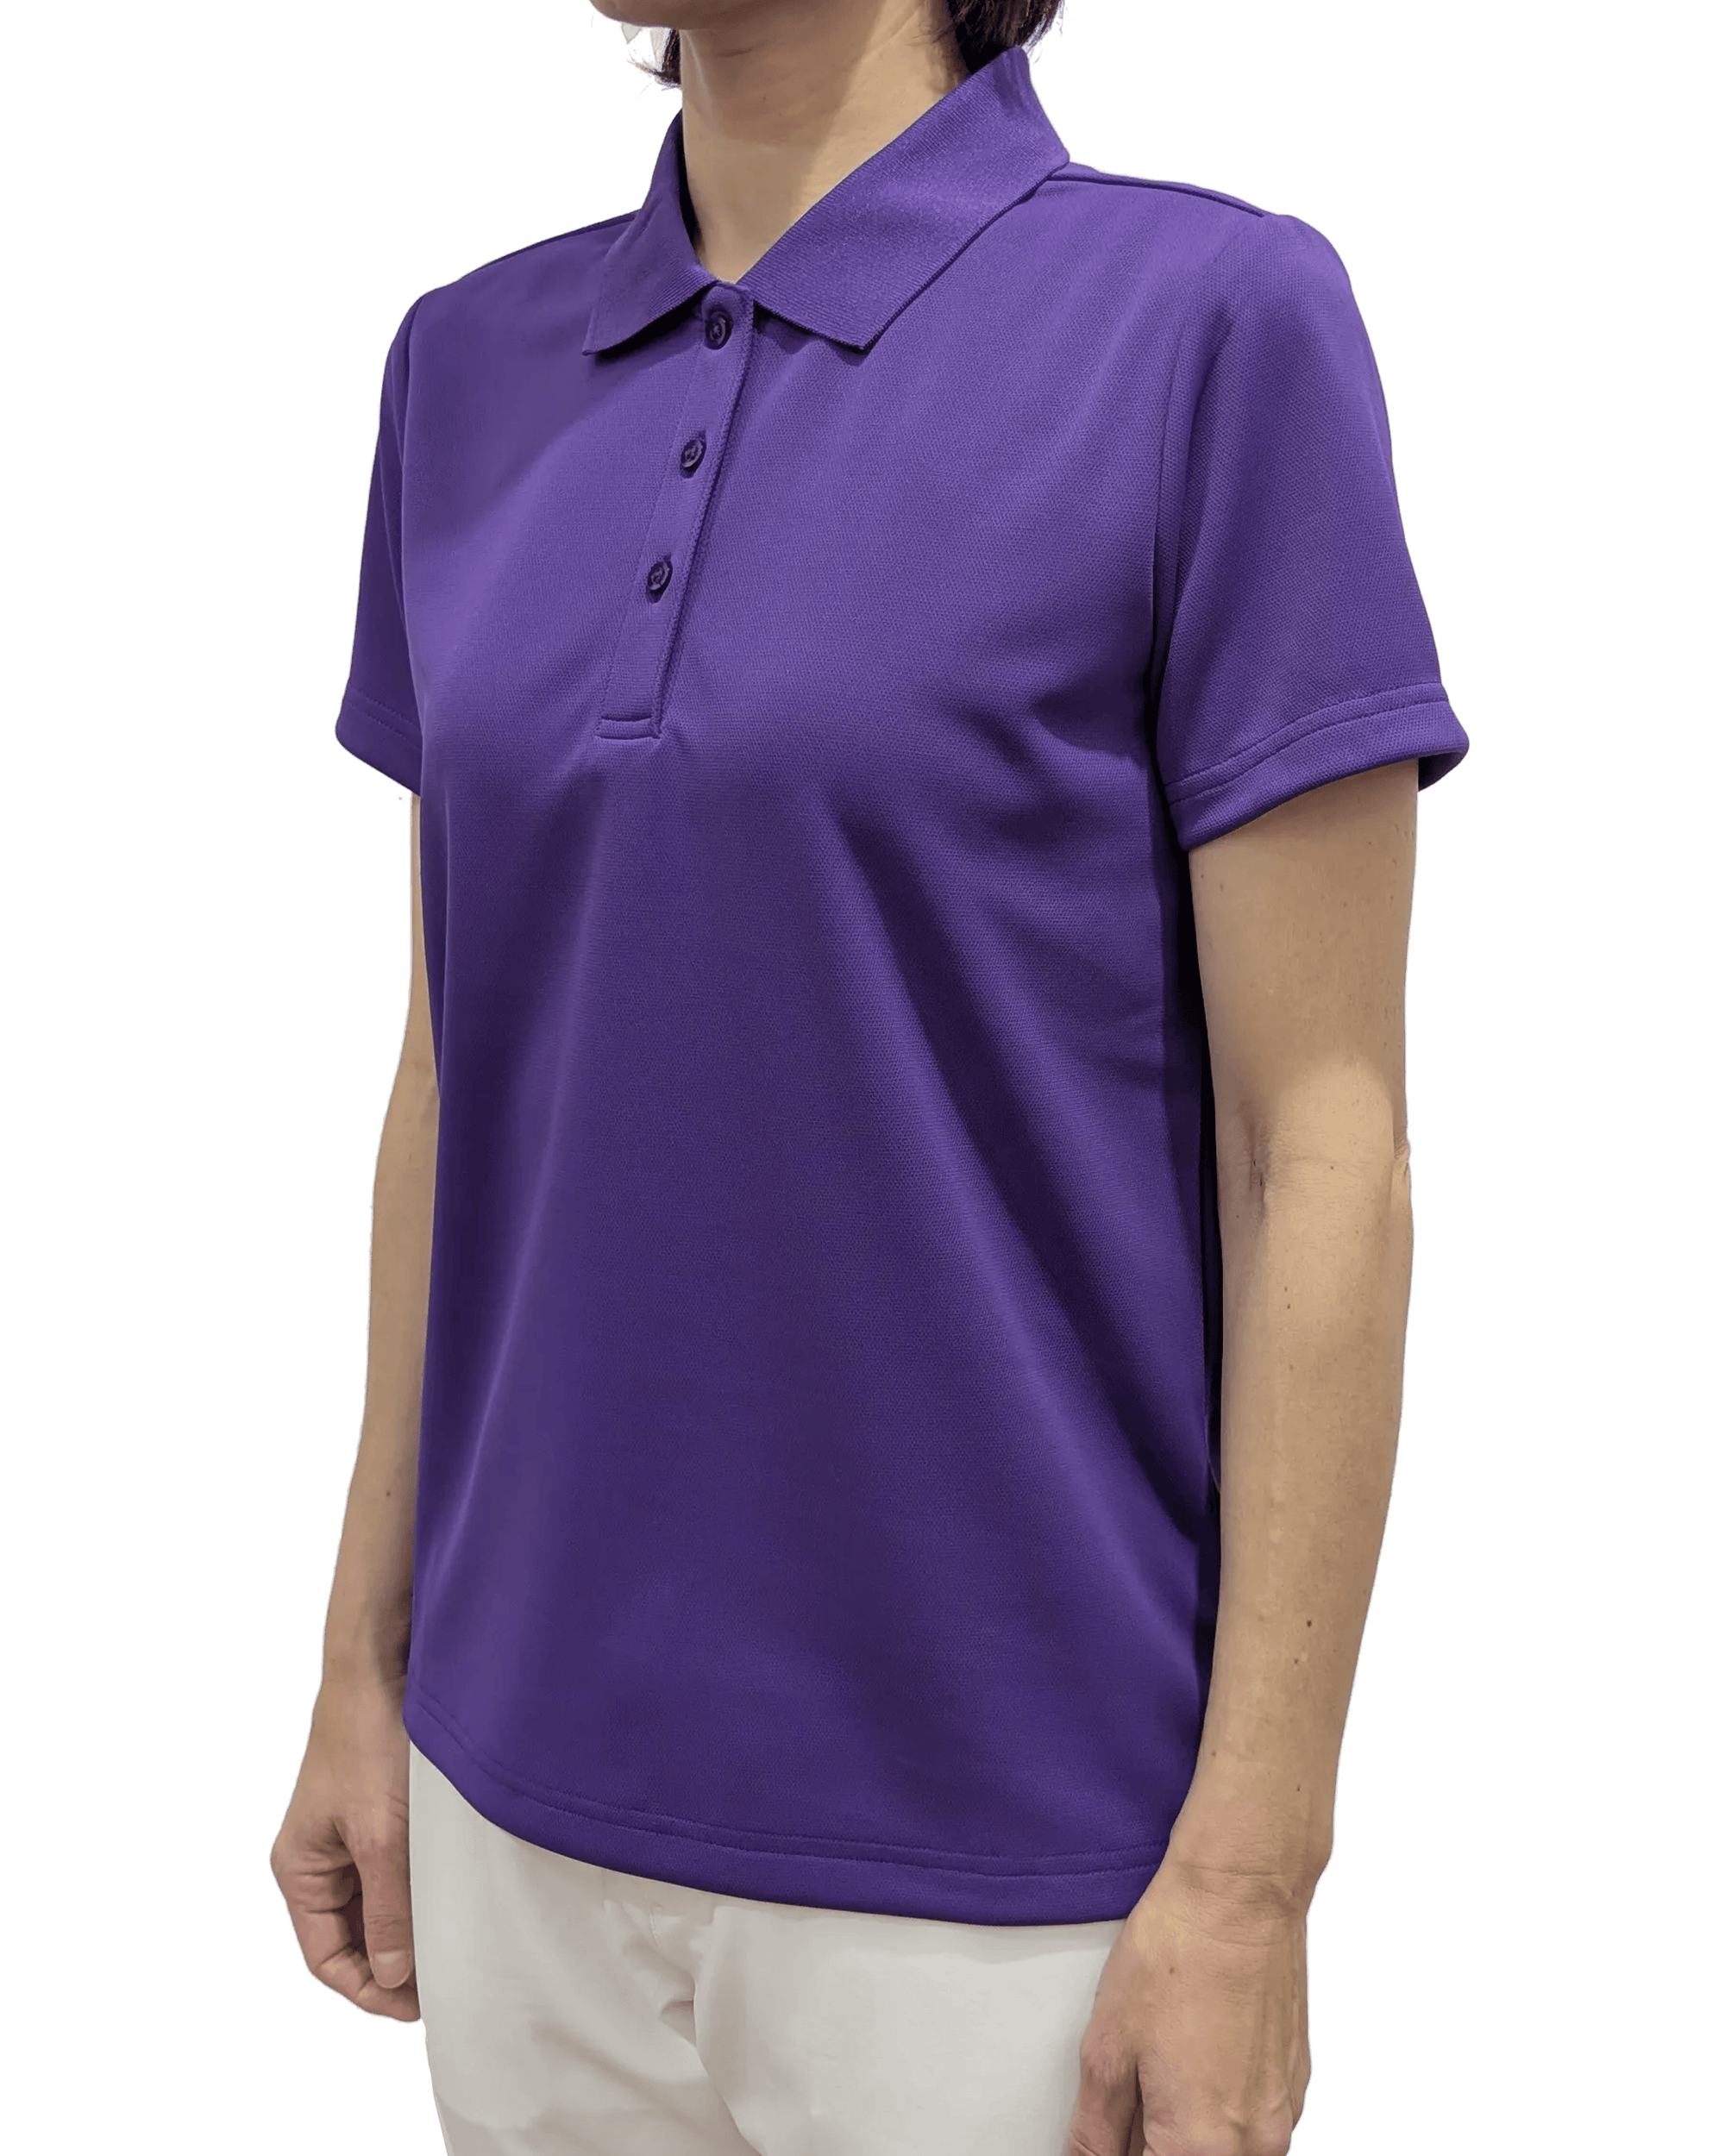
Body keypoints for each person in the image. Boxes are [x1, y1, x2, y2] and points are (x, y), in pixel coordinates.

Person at [269, 3, 1470, 2150]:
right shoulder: (463, 366)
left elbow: (1323, 1148)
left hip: (1002, 1870)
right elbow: (456, 1064)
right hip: (512, 1820)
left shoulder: (1204, 321)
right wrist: (367, 1662)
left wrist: (1248, 1871)